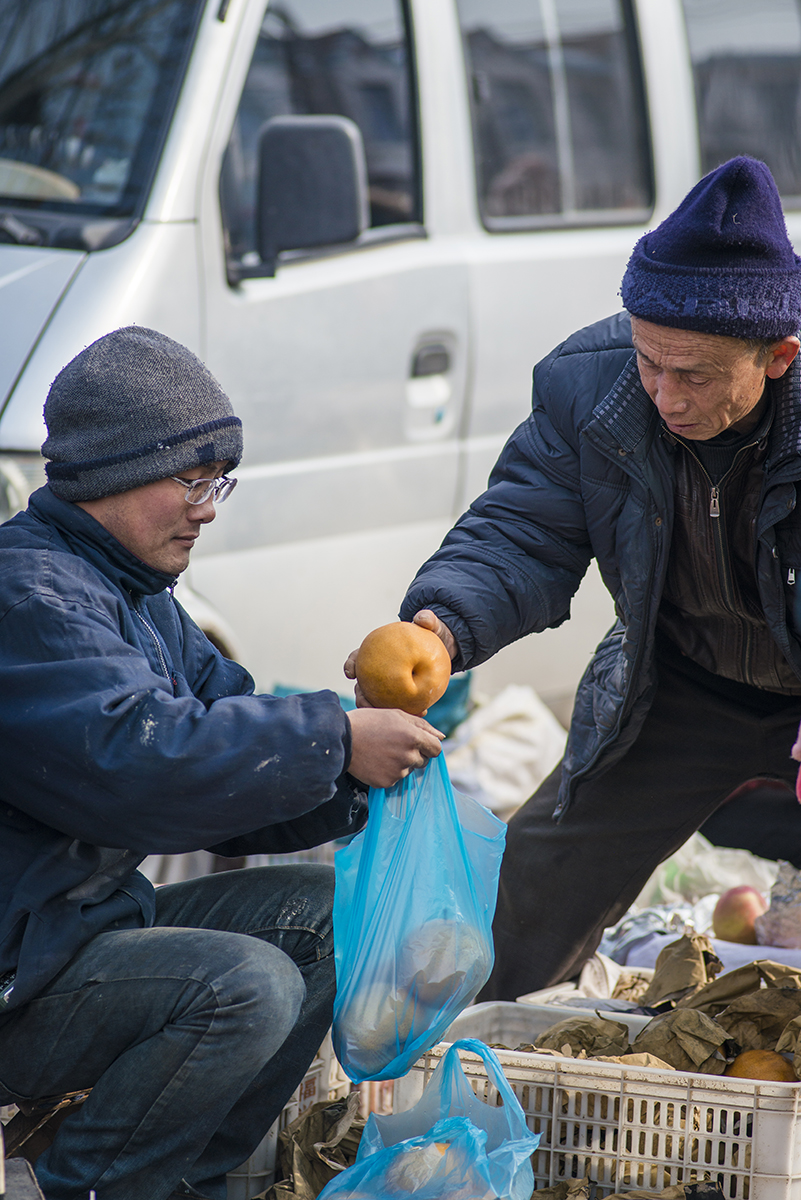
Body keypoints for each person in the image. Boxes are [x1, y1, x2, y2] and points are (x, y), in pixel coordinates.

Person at [0, 326, 443, 1200]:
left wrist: (353, 763)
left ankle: (192, 1182)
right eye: (192, 481)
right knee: (247, 986)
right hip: (21, 974)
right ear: (110, 475)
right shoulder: (30, 597)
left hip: (78, 935)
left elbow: (225, 745)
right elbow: (139, 762)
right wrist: (334, 739)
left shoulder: (138, 593)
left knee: (330, 919)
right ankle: (92, 1186)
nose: (208, 508)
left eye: (219, 482)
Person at [347, 155, 801, 1002]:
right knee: (529, 897)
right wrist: (442, 623)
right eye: (648, 362)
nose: (663, 395)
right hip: (683, 679)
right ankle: (474, 1055)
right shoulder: (588, 387)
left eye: (693, 375)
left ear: (777, 356)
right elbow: (524, 526)